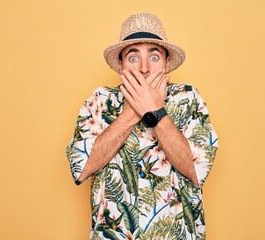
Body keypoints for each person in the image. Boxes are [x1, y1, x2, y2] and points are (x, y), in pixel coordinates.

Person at [66, 13, 218, 240]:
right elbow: (82, 169)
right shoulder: (100, 99)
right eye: (133, 57)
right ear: (121, 65)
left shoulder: (188, 97)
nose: (144, 68)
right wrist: (132, 112)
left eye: (154, 57)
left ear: (167, 63)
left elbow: (197, 171)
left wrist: (156, 112)